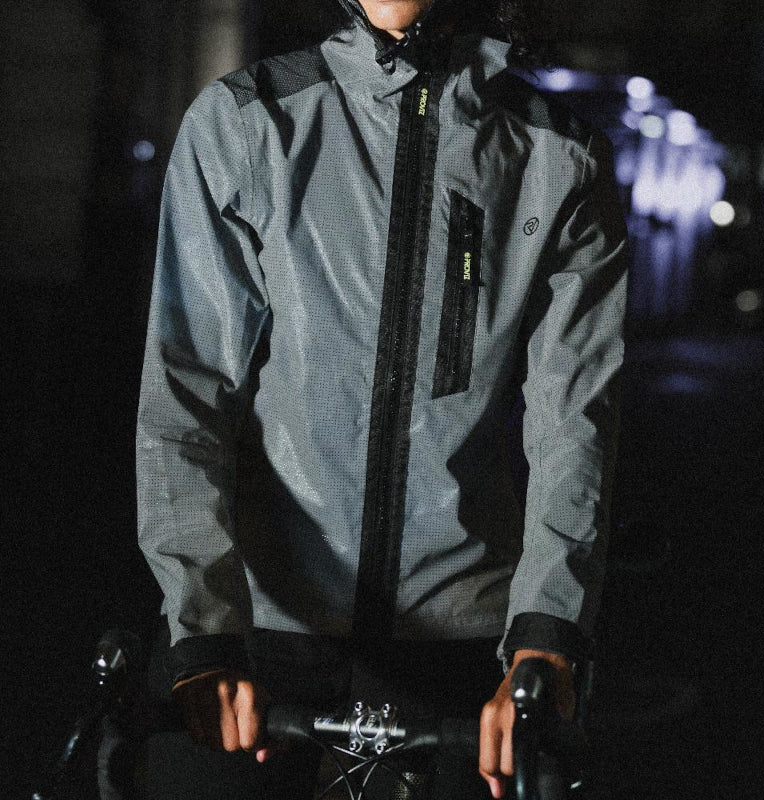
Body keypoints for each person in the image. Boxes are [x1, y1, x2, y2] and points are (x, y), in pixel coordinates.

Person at [135, 0, 628, 797]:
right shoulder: (247, 121)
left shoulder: (558, 155)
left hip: (468, 641)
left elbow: (576, 422)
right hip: (259, 631)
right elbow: (186, 395)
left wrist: (547, 632)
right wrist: (203, 628)